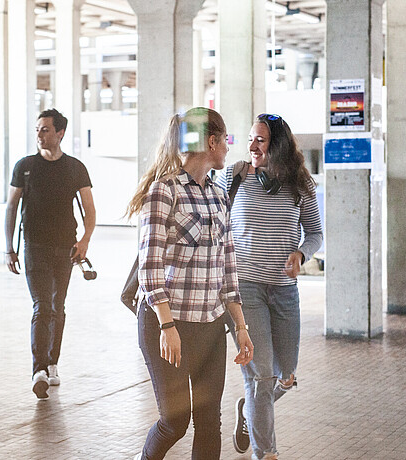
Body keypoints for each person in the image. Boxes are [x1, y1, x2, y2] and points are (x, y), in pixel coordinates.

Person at [126, 107, 253, 460]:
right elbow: (149, 268)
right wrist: (167, 326)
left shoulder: (218, 194)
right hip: (168, 325)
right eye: (225, 139)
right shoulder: (164, 192)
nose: (229, 146)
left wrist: (241, 326)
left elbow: (228, 266)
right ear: (210, 142)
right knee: (175, 420)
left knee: (209, 422)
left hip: (211, 326)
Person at [215, 113, 322, 460]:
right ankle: (267, 453)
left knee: (285, 374)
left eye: (260, 140)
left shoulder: (301, 185)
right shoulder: (235, 176)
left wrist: (301, 253)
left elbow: (316, 233)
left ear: (277, 144)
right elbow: (213, 218)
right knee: (260, 376)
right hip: (245, 288)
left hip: (283, 290)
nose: (252, 146)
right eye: (250, 139)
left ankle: (249, 409)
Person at [4, 108, 96, 400]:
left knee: (58, 306)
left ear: (60, 133)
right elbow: (11, 208)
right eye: (37, 129)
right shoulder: (25, 166)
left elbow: (90, 210)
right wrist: (9, 248)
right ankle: (38, 370)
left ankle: (53, 362)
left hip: (65, 247)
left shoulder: (75, 168)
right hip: (34, 246)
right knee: (42, 306)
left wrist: (84, 241)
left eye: (45, 129)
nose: (40, 135)